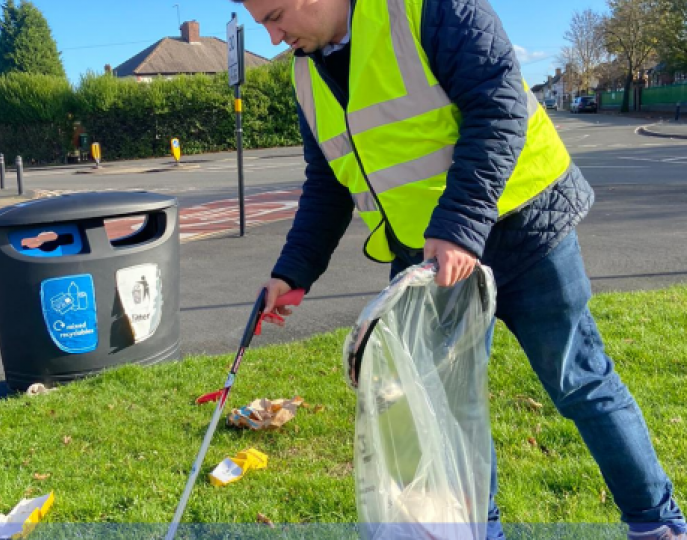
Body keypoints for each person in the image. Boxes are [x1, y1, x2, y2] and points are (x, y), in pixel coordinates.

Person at [233, 0, 686, 538]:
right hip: (428, 263)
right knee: (448, 412)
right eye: (262, 21)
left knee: (580, 382)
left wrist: (458, 226)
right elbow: (327, 182)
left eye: (275, 14)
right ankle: (479, 530)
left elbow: (497, 106)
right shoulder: (306, 73)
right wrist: (292, 272)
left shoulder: (428, 8)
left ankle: (656, 524)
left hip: (526, 230)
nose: (272, 33)